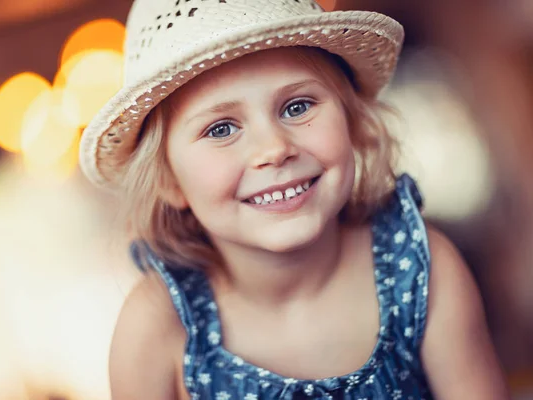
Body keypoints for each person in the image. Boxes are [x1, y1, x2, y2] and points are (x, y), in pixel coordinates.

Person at [78, 0, 509, 398]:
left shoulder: (420, 269)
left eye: (297, 106)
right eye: (221, 129)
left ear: (353, 124)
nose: (274, 149)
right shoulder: (158, 329)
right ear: (169, 180)